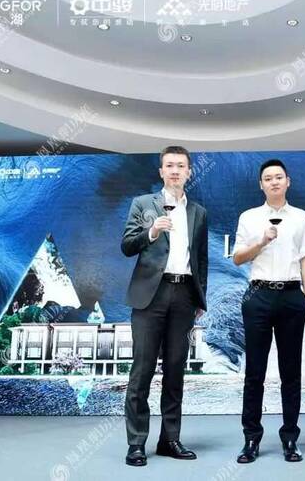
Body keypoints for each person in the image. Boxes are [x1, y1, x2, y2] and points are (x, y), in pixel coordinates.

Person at [121, 146, 208, 467]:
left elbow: (201, 260)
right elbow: (127, 245)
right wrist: (152, 231)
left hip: (184, 294)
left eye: (180, 166)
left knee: (175, 370)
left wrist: (200, 298)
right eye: (169, 165)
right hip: (150, 295)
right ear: (161, 171)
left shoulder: (198, 212)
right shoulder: (143, 204)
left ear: (189, 172)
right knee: (142, 370)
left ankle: (170, 439)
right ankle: (136, 443)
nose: (174, 170)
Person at [232, 159, 305, 463]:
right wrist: (261, 241)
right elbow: (238, 258)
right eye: (268, 178)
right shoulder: (249, 217)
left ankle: (290, 438)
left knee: (291, 372)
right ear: (261, 185)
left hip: (292, 295)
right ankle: (251, 438)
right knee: (254, 372)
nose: (274, 182)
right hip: (259, 294)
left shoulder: (301, 217)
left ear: (288, 181)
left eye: (279, 177)